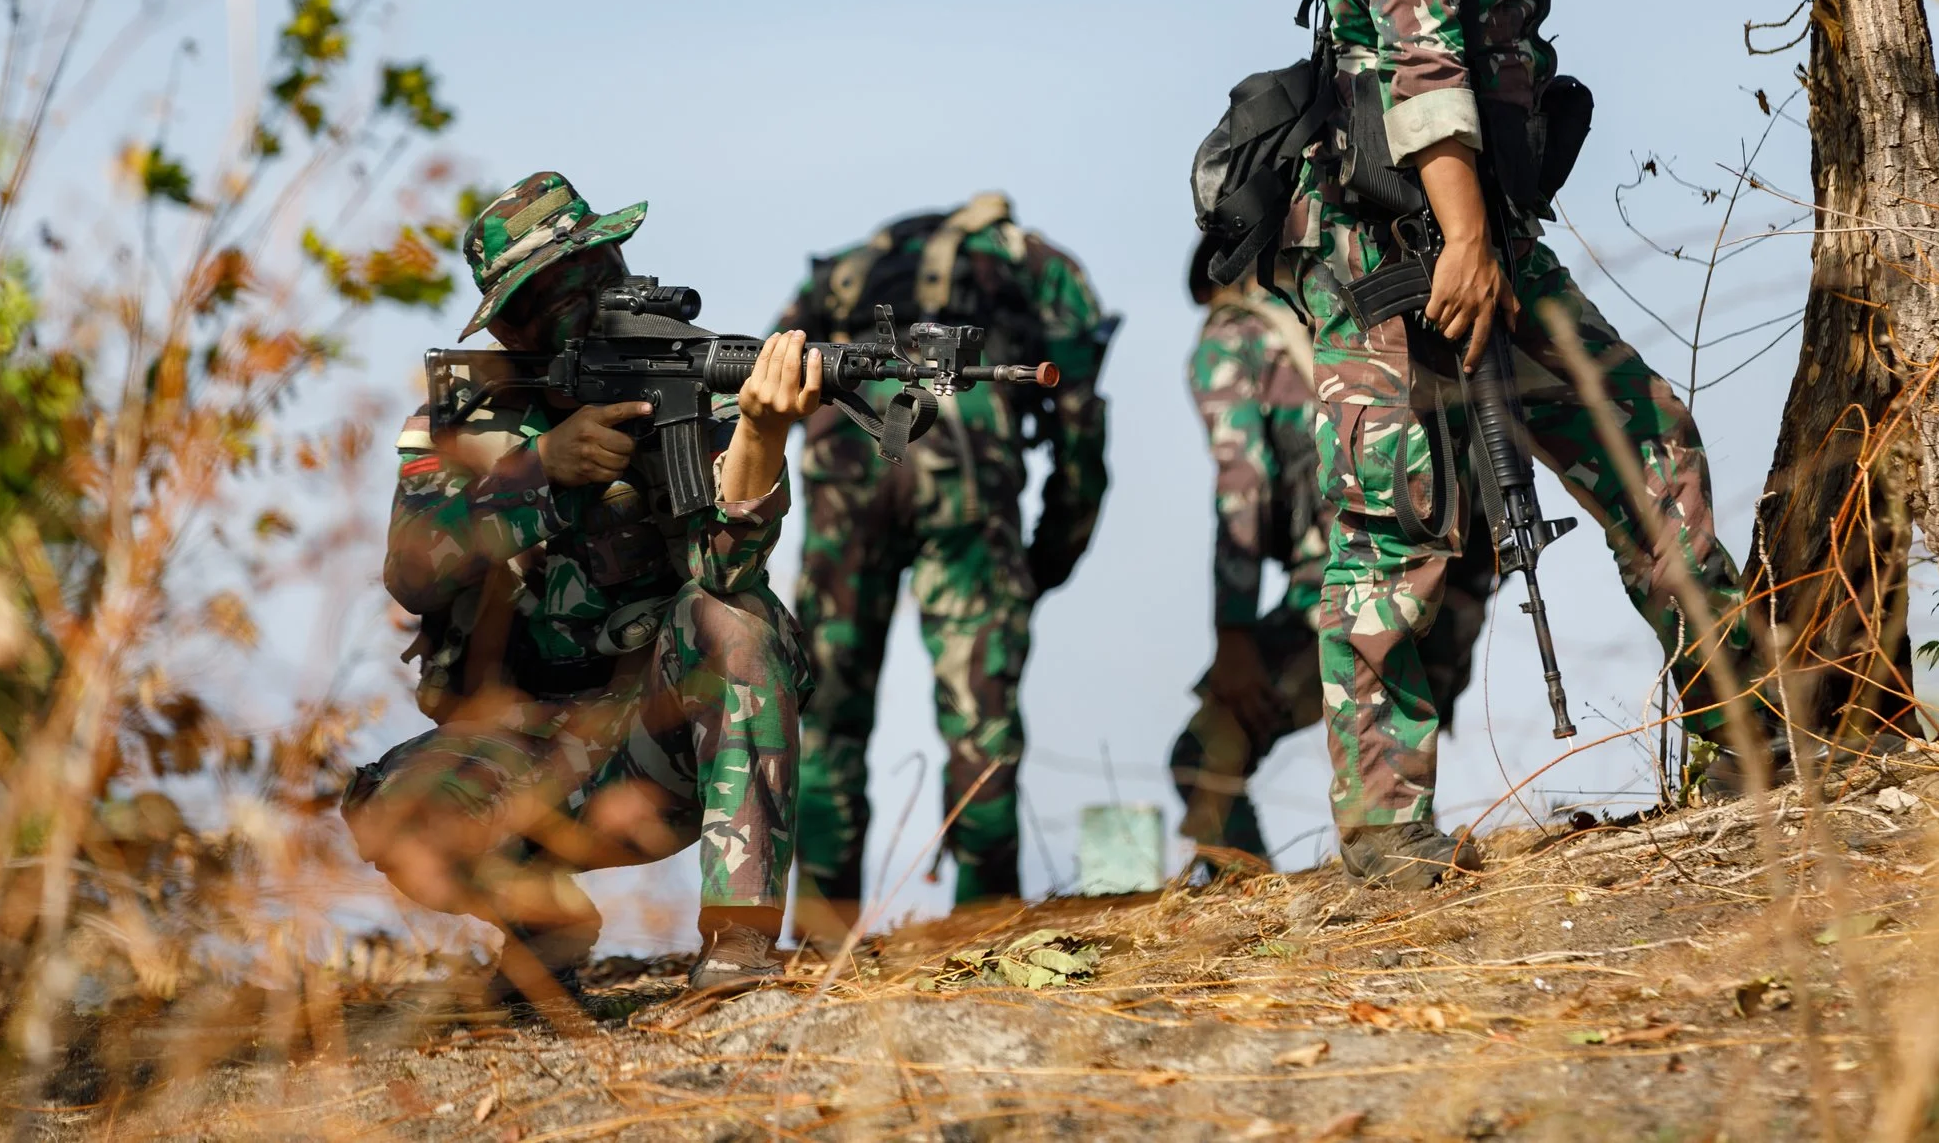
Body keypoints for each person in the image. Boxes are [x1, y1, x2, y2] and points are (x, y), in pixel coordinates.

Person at [1274, 0, 1758, 889]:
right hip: (1403, 247)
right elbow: (1416, 48)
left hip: (1471, 232)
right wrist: (1470, 233)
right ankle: (1384, 844)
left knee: (1647, 440)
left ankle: (1742, 752)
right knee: (1400, 532)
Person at [342, 172, 820, 997]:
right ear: (511, 324)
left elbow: (730, 578)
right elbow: (412, 571)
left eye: (593, 275)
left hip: (653, 746)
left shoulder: (677, 389)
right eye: (544, 296)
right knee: (389, 809)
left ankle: (740, 939)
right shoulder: (462, 421)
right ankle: (546, 923)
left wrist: (762, 434)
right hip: (519, 754)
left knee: (737, 623)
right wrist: (542, 474)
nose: (579, 307)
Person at [776, 194, 1113, 919]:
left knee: (829, 709)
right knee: (979, 715)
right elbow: (1082, 423)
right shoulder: (1037, 261)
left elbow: (769, 378)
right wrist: (1045, 561)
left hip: (848, 440)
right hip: (965, 441)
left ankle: (820, 932)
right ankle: (982, 924)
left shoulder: (844, 270)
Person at [1168, 235, 1492, 865]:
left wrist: (1233, 633)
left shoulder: (1231, 335)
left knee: (1202, 757)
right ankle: (1413, 854)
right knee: (1390, 738)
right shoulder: (1349, 308)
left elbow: (1244, 486)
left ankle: (1253, 902)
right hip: (1458, 569)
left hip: (1350, 573)